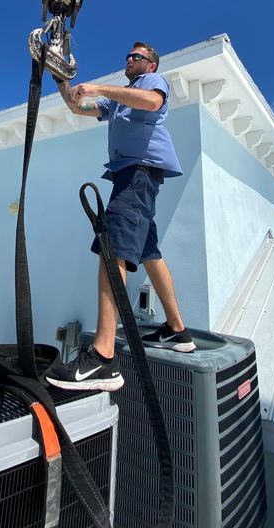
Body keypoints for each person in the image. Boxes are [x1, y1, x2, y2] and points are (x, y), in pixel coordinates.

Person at [46, 42, 196, 392]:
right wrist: (60, 79)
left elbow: (152, 103)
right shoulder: (120, 98)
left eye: (137, 57)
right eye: (128, 56)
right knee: (149, 253)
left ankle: (103, 357)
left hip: (138, 173)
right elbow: (76, 106)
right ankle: (178, 330)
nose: (129, 60)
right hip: (132, 174)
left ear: (151, 63)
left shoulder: (152, 83)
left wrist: (97, 86)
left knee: (112, 248)